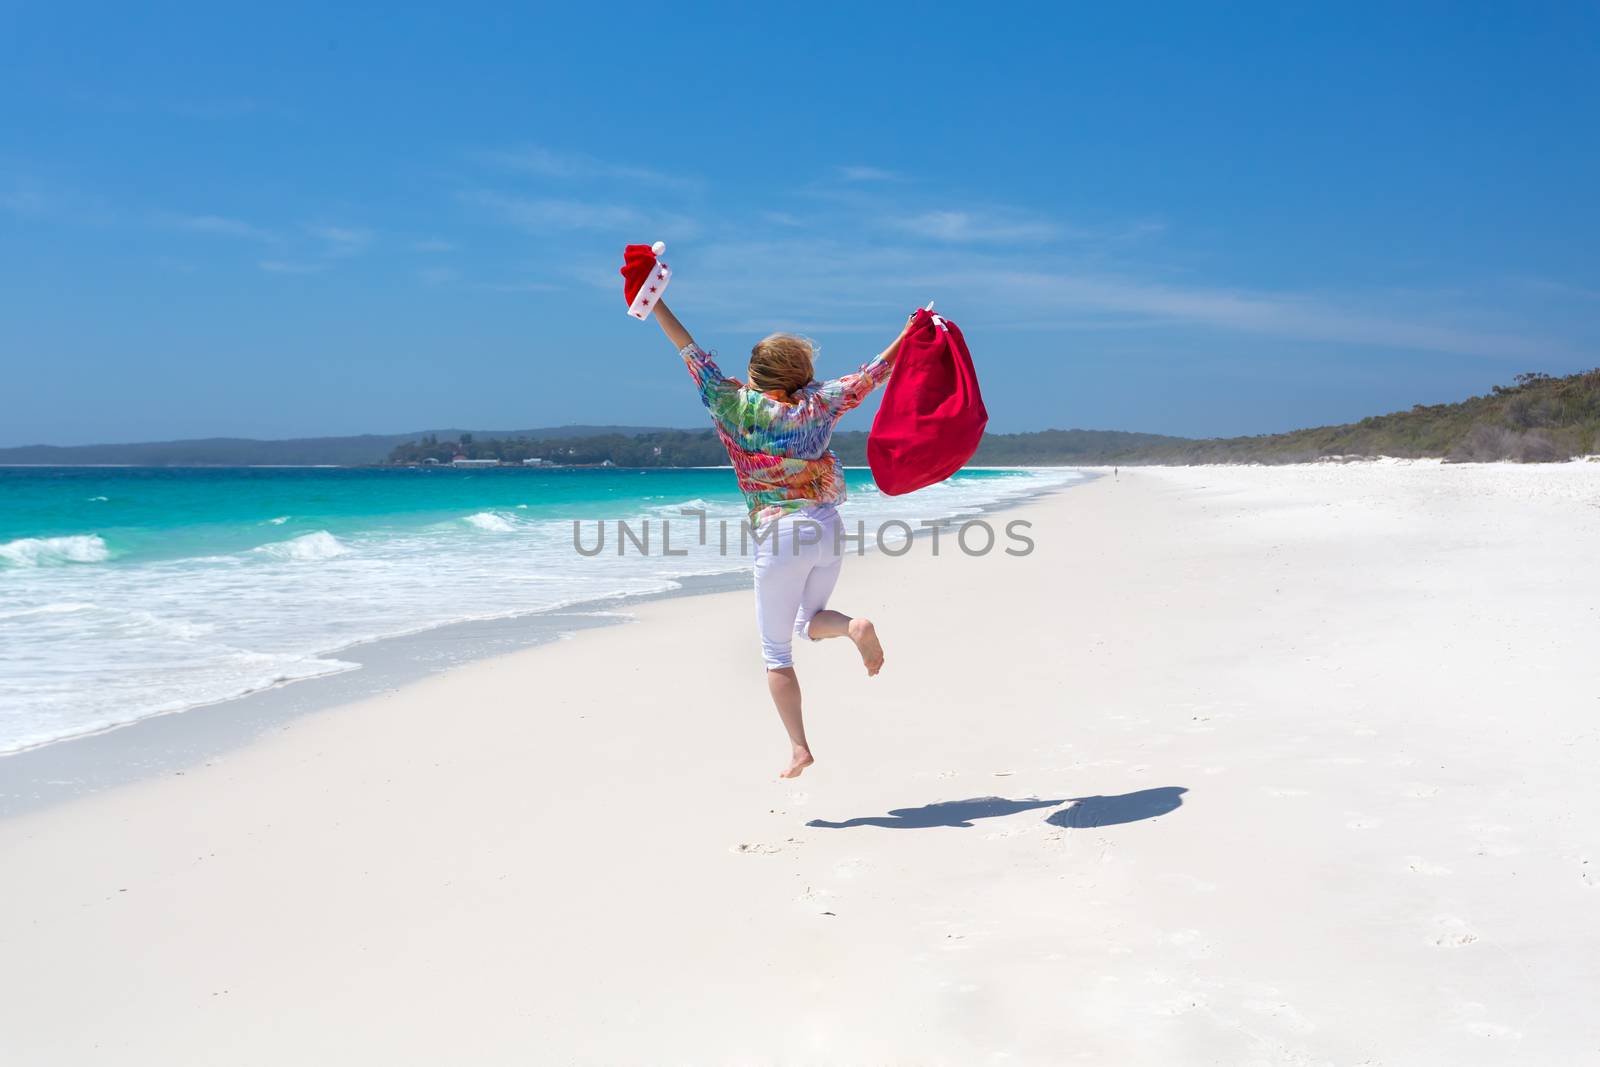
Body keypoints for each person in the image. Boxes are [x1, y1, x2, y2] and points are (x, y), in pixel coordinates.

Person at [648, 298, 912, 778]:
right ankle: (853, 627)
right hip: (827, 525)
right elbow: (874, 373)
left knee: (776, 653)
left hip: (779, 533)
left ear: (756, 375)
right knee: (809, 621)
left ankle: (799, 748)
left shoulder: (731, 402)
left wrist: (656, 299)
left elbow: (688, 349)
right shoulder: (821, 401)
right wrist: (911, 331)